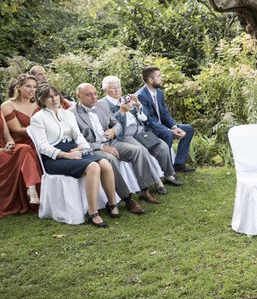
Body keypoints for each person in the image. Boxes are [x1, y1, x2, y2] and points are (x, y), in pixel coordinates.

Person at [29, 83, 119, 227]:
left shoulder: (68, 114)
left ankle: (112, 204)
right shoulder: (38, 118)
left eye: (56, 95)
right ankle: (93, 212)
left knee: (105, 163)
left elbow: (79, 137)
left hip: (74, 150)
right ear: (42, 99)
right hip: (55, 159)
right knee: (93, 167)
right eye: (49, 97)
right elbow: (42, 147)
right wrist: (65, 155)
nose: (54, 99)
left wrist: (82, 149)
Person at [71, 83, 158, 209]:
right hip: (93, 149)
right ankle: (127, 198)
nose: (94, 97)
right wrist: (100, 147)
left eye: (95, 93)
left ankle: (144, 190)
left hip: (112, 142)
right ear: (78, 96)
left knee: (137, 150)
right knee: (110, 158)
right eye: (89, 95)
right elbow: (78, 142)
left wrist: (113, 131)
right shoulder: (72, 114)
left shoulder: (102, 104)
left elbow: (116, 123)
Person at [100, 75, 182, 192]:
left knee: (162, 146)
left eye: (118, 86)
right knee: (143, 151)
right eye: (113, 88)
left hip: (139, 130)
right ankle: (157, 182)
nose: (117, 90)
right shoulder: (103, 104)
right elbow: (110, 123)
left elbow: (144, 118)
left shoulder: (125, 98)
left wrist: (138, 105)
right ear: (105, 89)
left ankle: (169, 175)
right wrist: (122, 111)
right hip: (125, 134)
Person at [136, 66, 195, 173]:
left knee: (188, 129)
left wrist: (174, 127)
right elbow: (149, 120)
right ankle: (166, 170)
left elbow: (165, 114)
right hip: (148, 129)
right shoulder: (141, 95)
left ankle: (179, 164)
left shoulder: (159, 93)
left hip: (161, 126)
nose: (162, 78)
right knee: (167, 134)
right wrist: (169, 131)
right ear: (150, 80)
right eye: (159, 76)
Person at [0, 111, 41, 216]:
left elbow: (8, 137)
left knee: (25, 148)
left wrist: (10, 143)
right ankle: (31, 188)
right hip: (1, 152)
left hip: (5, 150)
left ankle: (31, 188)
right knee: (24, 149)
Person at [1, 74, 39, 147]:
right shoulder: (7, 106)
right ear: (19, 87)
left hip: (41, 140)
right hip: (21, 144)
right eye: (28, 86)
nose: (32, 90)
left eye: (34, 87)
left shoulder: (39, 104)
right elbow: (17, 130)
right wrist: (43, 129)